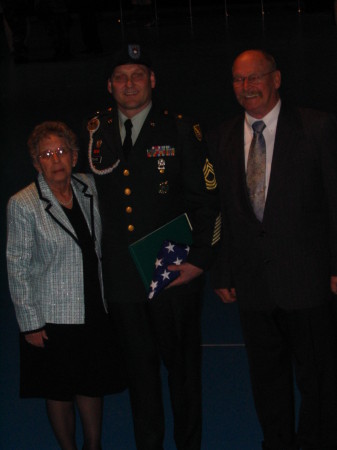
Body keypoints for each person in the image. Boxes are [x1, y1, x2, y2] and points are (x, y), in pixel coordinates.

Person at [82, 44, 220, 450]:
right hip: (123, 277)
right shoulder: (95, 130)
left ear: (152, 81)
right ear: (109, 85)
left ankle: (189, 445)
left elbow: (208, 200)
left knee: (183, 374)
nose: (129, 84)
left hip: (173, 271)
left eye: (138, 75)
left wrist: (200, 261)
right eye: (121, 77)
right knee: (140, 376)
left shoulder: (180, 129)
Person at [208, 49, 337, 450]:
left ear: (276, 78)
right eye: (238, 80)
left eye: (255, 77)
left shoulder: (318, 127)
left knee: (319, 378)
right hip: (253, 284)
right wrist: (224, 271)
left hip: (309, 280)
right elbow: (223, 212)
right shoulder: (220, 137)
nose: (247, 87)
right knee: (266, 379)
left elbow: (335, 200)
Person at [6, 121, 125, 450]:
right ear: (35, 163)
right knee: (58, 390)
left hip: (93, 308)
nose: (55, 160)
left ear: (74, 157)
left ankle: (93, 445)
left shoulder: (89, 186)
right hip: (51, 318)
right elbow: (17, 265)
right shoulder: (23, 204)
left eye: (61, 152)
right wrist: (30, 323)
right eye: (46, 154)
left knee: (91, 383)